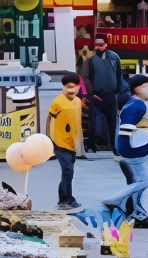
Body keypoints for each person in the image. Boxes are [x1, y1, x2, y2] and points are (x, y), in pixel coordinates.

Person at [104, 75, 148, 229]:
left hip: (135, 150)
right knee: (142, 182)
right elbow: (125, 129)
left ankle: (137, 214)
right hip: (134, 151)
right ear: (136, 89)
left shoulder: (139, 104)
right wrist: (129, 151)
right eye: (146, 86)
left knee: (137, 184)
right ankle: (113, 201)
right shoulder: (137, 105)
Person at [80, 37, 122, 154]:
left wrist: (118, 90)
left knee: (113, 122)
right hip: (96, 94)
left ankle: (114, 146)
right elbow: (85, 76)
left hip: (111, 94)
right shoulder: (90, 59)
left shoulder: (114, 57)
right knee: (94, 121)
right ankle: (92, 145)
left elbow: (118, 74)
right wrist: (91, 93)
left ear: (105, 45)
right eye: (97, 45)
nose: (99, 47)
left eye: (101, 45)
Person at [48, 73, 83, 211]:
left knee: (68, 172)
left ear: (78, 87)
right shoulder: (57, 102)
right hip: (60, 142)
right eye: (68, 87)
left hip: (72, 143)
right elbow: (49, 121)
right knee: (67, 170)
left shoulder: (78, 101)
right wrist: (50, 141)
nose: (71, 90)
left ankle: (62, 199)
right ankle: (68, 199)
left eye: (73, 87)